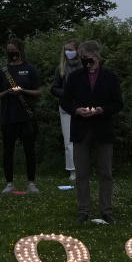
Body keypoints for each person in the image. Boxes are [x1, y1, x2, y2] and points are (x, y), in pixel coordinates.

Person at [62, 40, 124, 224]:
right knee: (82, 173)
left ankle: (106, 209)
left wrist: (101, 110)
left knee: (105, 171)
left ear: (96, 56)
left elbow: (118, 103)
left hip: (102, 128)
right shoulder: (74, 77)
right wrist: (77, 110)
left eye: (87, 57)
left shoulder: (110, 77)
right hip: (81, 128)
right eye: (82, 58)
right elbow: (65, 101)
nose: (84, 61)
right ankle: (83, 210)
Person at [0, 38, 42, 193]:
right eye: (9, 50)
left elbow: (38, 92)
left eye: (14, 49)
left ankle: (31, 182)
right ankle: (9, 183)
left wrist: (22, 91)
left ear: (20, 50)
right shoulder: (3, 71)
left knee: (29, 150)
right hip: (8, 116)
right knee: (8, 151)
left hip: (26, 116)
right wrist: (6, 93)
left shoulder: (30, 69)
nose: (11, 53)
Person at [51, 38, 82, 181]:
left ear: (77, 51)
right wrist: (66, 93)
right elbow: (54, 88)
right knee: (69, 140)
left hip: (82, 107)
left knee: (82, 139)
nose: (68, 52)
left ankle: (84, 167)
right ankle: (72, 170)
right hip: (66, 107)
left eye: (71, 49)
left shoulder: (84, 67)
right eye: (66, 50)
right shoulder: (61, 68)